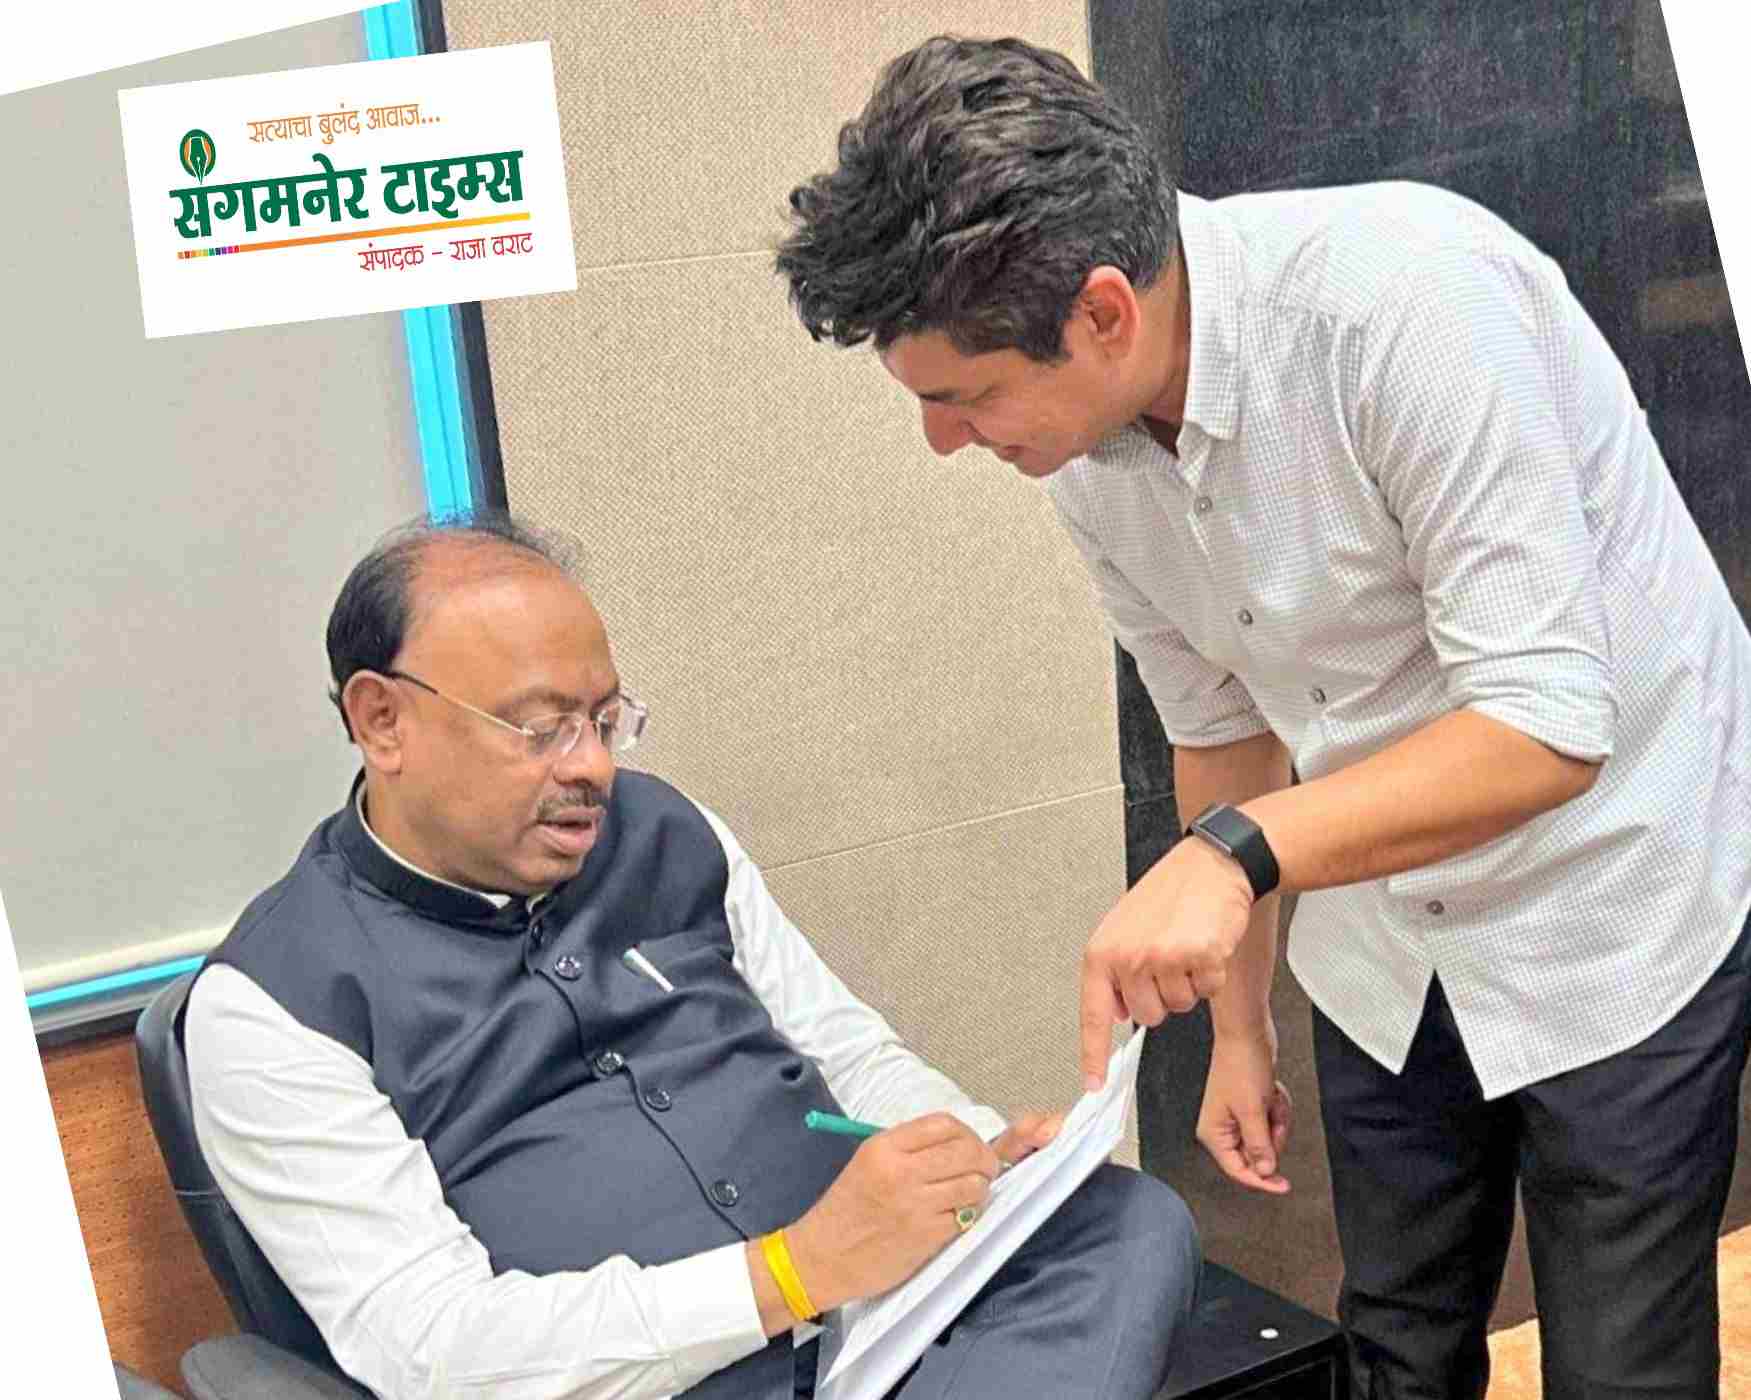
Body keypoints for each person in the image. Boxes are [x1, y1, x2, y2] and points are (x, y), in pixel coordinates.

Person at [775, 33, 1751, 1400]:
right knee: (1396, 1333)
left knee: (1619, 1360)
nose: (946, 439)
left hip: (1611, 890)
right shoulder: (1086, 451)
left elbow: (1541, 724)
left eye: (965, 395)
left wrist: (1231, 860)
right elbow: (1218, 728)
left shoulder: (1408, 303)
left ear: (1101, 312)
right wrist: (1235, 1026)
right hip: (1381, 921)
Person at [183, 513, 1199, 1400]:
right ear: (382, 721)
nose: (591, 765)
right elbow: (439, 1350)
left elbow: (845, 1052)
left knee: (1120, 1222)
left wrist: (968, 1157)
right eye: (540, 729)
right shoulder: (274, 1003)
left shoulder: (666, 831)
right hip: (658, 1379)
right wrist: (788, 1273)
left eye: (602, 720)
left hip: (881, 1323)